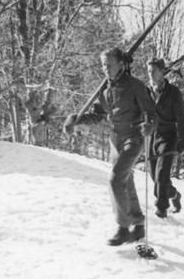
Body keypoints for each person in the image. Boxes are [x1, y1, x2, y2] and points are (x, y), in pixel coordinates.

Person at [64, 47, 157, 246]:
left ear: (121, 65)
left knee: (115, 180)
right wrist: (76, 120)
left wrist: (149, 124)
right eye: (103, 66)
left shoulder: (135, 86)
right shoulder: (105, 89)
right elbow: (98, 115)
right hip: (115, 138)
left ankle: (123, 228)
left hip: (134, 137)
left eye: (109, 65)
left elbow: (150, 112)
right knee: (125, 181)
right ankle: (138, 225)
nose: (105, 69)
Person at [146, 57, 184, 218]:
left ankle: (161, 208)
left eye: (153, 71)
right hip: (151, 135)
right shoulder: (146, 90)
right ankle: (174, 194)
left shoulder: (173, 92)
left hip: (168, 136)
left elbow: (181, 119)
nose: (150, 74)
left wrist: (183, 140)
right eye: (148, 71)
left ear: (162, 72)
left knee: (162, 173)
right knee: (154, 176)